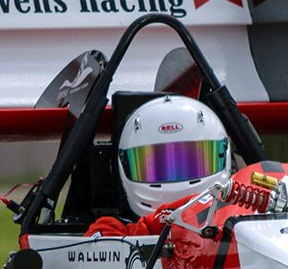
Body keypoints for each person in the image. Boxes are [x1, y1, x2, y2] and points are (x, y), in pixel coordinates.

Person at [86, 94, 231, 237]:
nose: (174, 178)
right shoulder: (112, 230)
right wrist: (162, 220)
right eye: (158, 167)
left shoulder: (236, 221)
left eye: (191, 163)